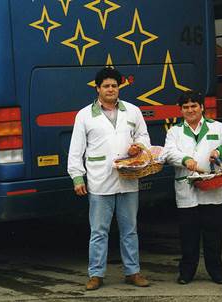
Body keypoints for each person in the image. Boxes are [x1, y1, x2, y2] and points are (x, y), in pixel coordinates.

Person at [67, 67, 151, 290]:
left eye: (114, 85)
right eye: (106, 86)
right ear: (98, 89)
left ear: (119, 87)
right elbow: (76, 149)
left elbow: (144, 137)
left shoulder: (132, 111)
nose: (111, 89)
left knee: (130, 229)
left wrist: (139, 147)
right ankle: (96, 274)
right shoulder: (84, 115)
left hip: (128, 179)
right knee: (98, 231)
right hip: (99, 180)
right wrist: (77, 177)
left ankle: (132, 272)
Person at [164, 90, 222, 285]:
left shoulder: (218, 128)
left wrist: (220, 150)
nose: (190, 110)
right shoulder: (174, 131)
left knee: (213, 233)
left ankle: (216, 271)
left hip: (211, 188)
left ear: (202, 107)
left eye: (194, 106)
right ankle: (186, 272)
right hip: (187, 189)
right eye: (186, 107)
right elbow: (169, 153)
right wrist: (185, 159)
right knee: (188, 234)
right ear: (180, 110)